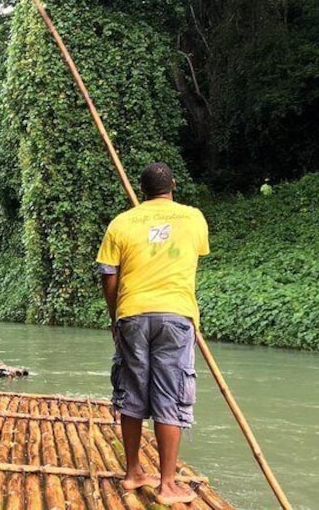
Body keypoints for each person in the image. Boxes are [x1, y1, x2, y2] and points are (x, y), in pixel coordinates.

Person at [96, 162, 209, 506]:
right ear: (173, 184)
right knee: (169, 395)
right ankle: (168, 484)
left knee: (131, 392)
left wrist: (116, 316)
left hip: (131, 314)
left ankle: (133, 473)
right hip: (175, 316)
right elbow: (193, 258)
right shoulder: (193, 218)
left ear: (141, 190)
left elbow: (108, 275)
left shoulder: (121, 223)